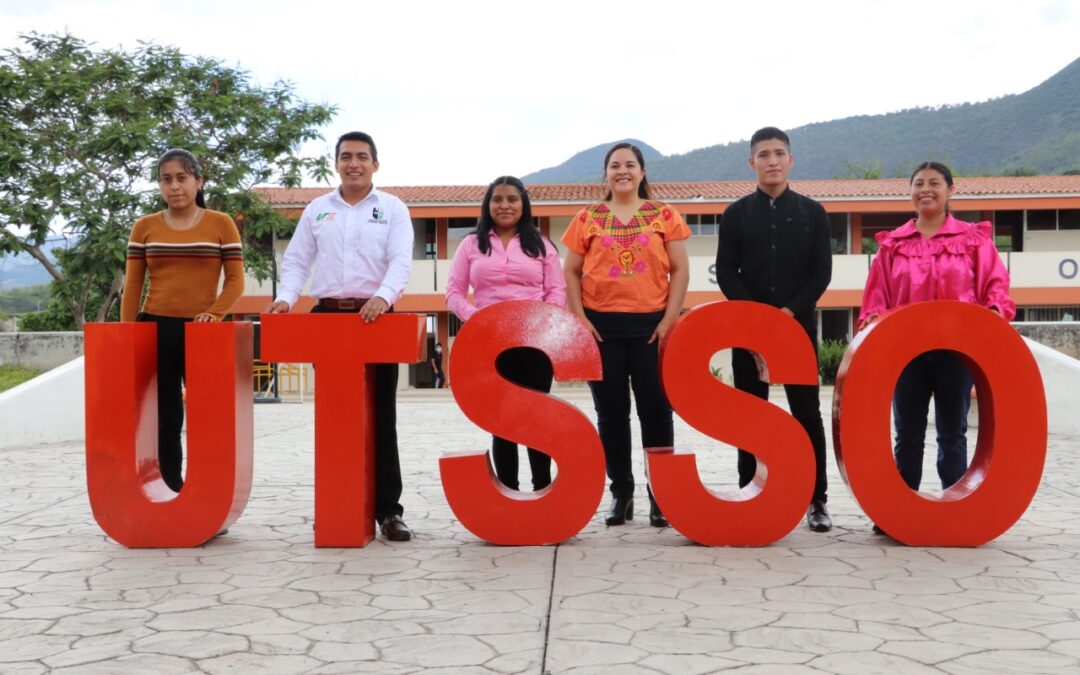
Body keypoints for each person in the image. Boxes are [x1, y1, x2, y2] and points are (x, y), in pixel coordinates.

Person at [266, 131, 415, 542]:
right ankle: (339, 505)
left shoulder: (392, 209)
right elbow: (296, 261)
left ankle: (389, 511)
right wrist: (284, 299)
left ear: (375, 164)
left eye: (362, 157)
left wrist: (384, 298)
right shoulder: (317, 210)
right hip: (328, 321)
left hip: (376, 320)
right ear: (336, 163)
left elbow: (402, 261)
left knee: (382, 416)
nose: (354, 163)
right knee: (336, 418)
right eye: (346, 156)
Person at [858, 161, 1015, 526]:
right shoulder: (892, 246)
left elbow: (996, 288)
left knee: (953, 433)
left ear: (950, 191)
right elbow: (876, 298)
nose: (925, 189)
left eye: (934, 183)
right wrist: (873, 321)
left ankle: (955, 509)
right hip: (906, 354)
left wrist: (991, 314)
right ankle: (897, 512)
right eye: (918, 183)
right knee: (907, 434)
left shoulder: (973, 240)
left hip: (956, 353)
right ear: (909, 191)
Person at [562, 143, 690, 527]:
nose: (623, 171)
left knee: (656, 410)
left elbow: (681, 270)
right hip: (602, 329)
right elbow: (570, 271)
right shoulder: (587, 218)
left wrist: (668, 319)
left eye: (630, 165)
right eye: (615, 165)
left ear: (642, 172)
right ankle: (622, 493)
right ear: (605, 174)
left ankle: (660, 495)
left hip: (652, 327)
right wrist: (580, 318)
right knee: (612, 414)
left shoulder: (664, 215)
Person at [714, 127, 834, 532]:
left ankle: (817, 499)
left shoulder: (813, 213)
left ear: (791, 160)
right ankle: (750, 490)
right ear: (752, 163)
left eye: (779, 153)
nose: (772, 160)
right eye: (763, 154)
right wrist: (757, 315)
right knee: (750, 413)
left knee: (806, 415)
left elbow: (821, 274)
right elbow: (727, 272)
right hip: (748, 331)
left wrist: (787, 312)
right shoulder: (735, 215)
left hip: (796, 328)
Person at [120, 148, 245, 493]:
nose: (174, 186)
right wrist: (128, 335)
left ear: (198, 181)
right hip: (155, 329)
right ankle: (172, 490)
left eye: (182, 178)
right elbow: (132, 287)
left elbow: (236, 281)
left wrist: (215, 313)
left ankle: (208, 495)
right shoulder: (144, 226)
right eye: (166, 179)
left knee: (208, 416)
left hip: (202, 331)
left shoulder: (221, 223)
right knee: (166, 417)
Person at [446, 176, 566, 492]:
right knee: (502, 420)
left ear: (523, 204)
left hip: (534, 343)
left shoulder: (542, 245)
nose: (505, 205)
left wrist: (542, 321)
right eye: (497, 199)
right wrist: (478, 319)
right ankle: (509, 491)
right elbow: (454, 292)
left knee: (535, 417)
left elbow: (556, 290)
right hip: (490, 343)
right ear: (488, 205)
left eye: (512, 199)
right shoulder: (471, 244)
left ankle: (543, 489)